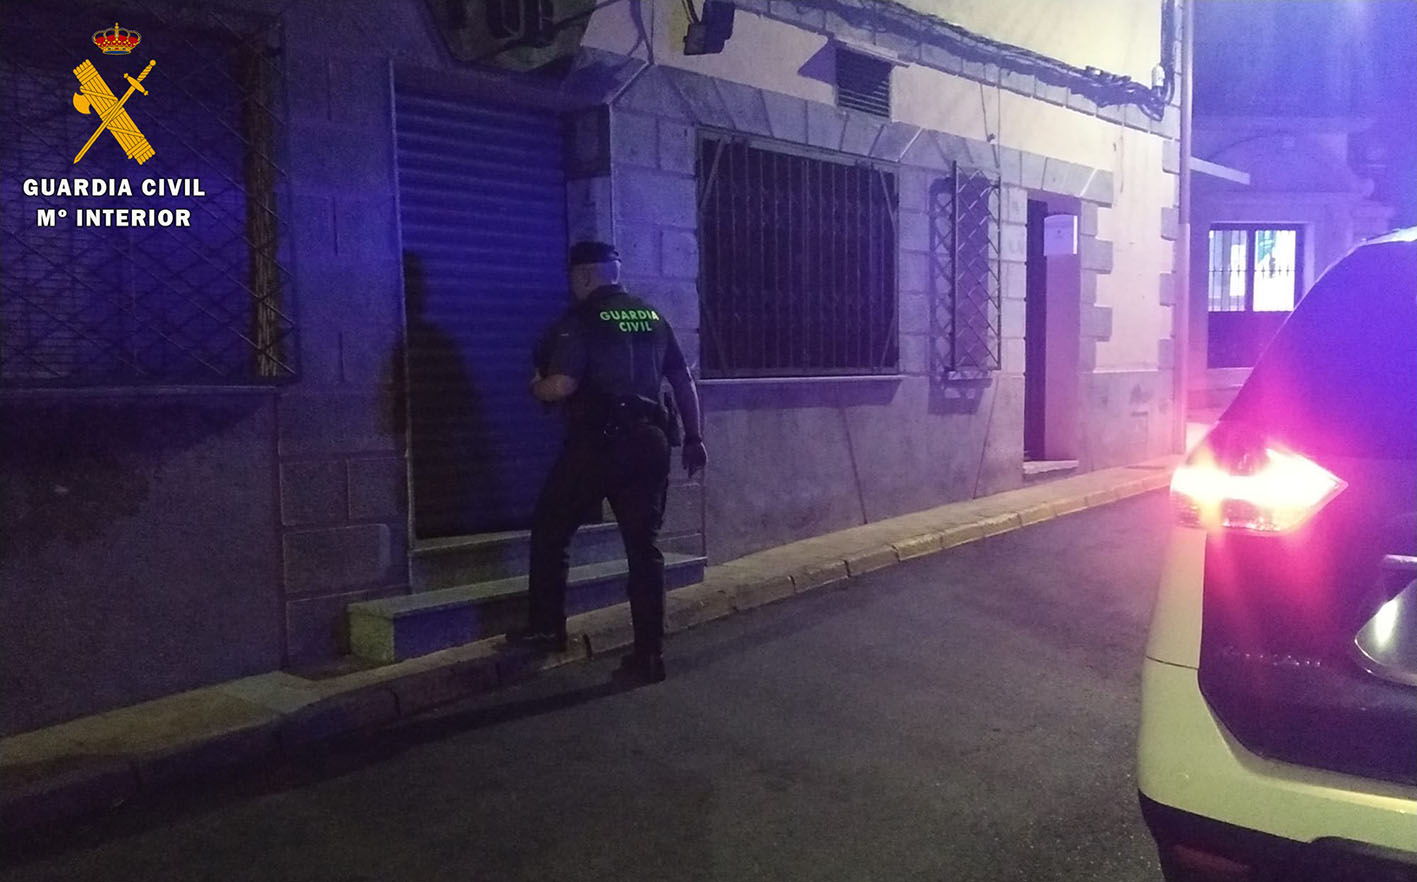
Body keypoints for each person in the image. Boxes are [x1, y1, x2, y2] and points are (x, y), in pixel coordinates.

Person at [506, 240, 707, 684]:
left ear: (582, 276)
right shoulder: (652, 317)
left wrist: (535, 386)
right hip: (651, 441)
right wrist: (694, 437)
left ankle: (545, 629)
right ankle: (649, 655)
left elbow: (561, 385)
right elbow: (683, 381)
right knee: (644, 548)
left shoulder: (580, 321)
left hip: (597, 447)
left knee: (551, 529)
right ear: (614, 272)